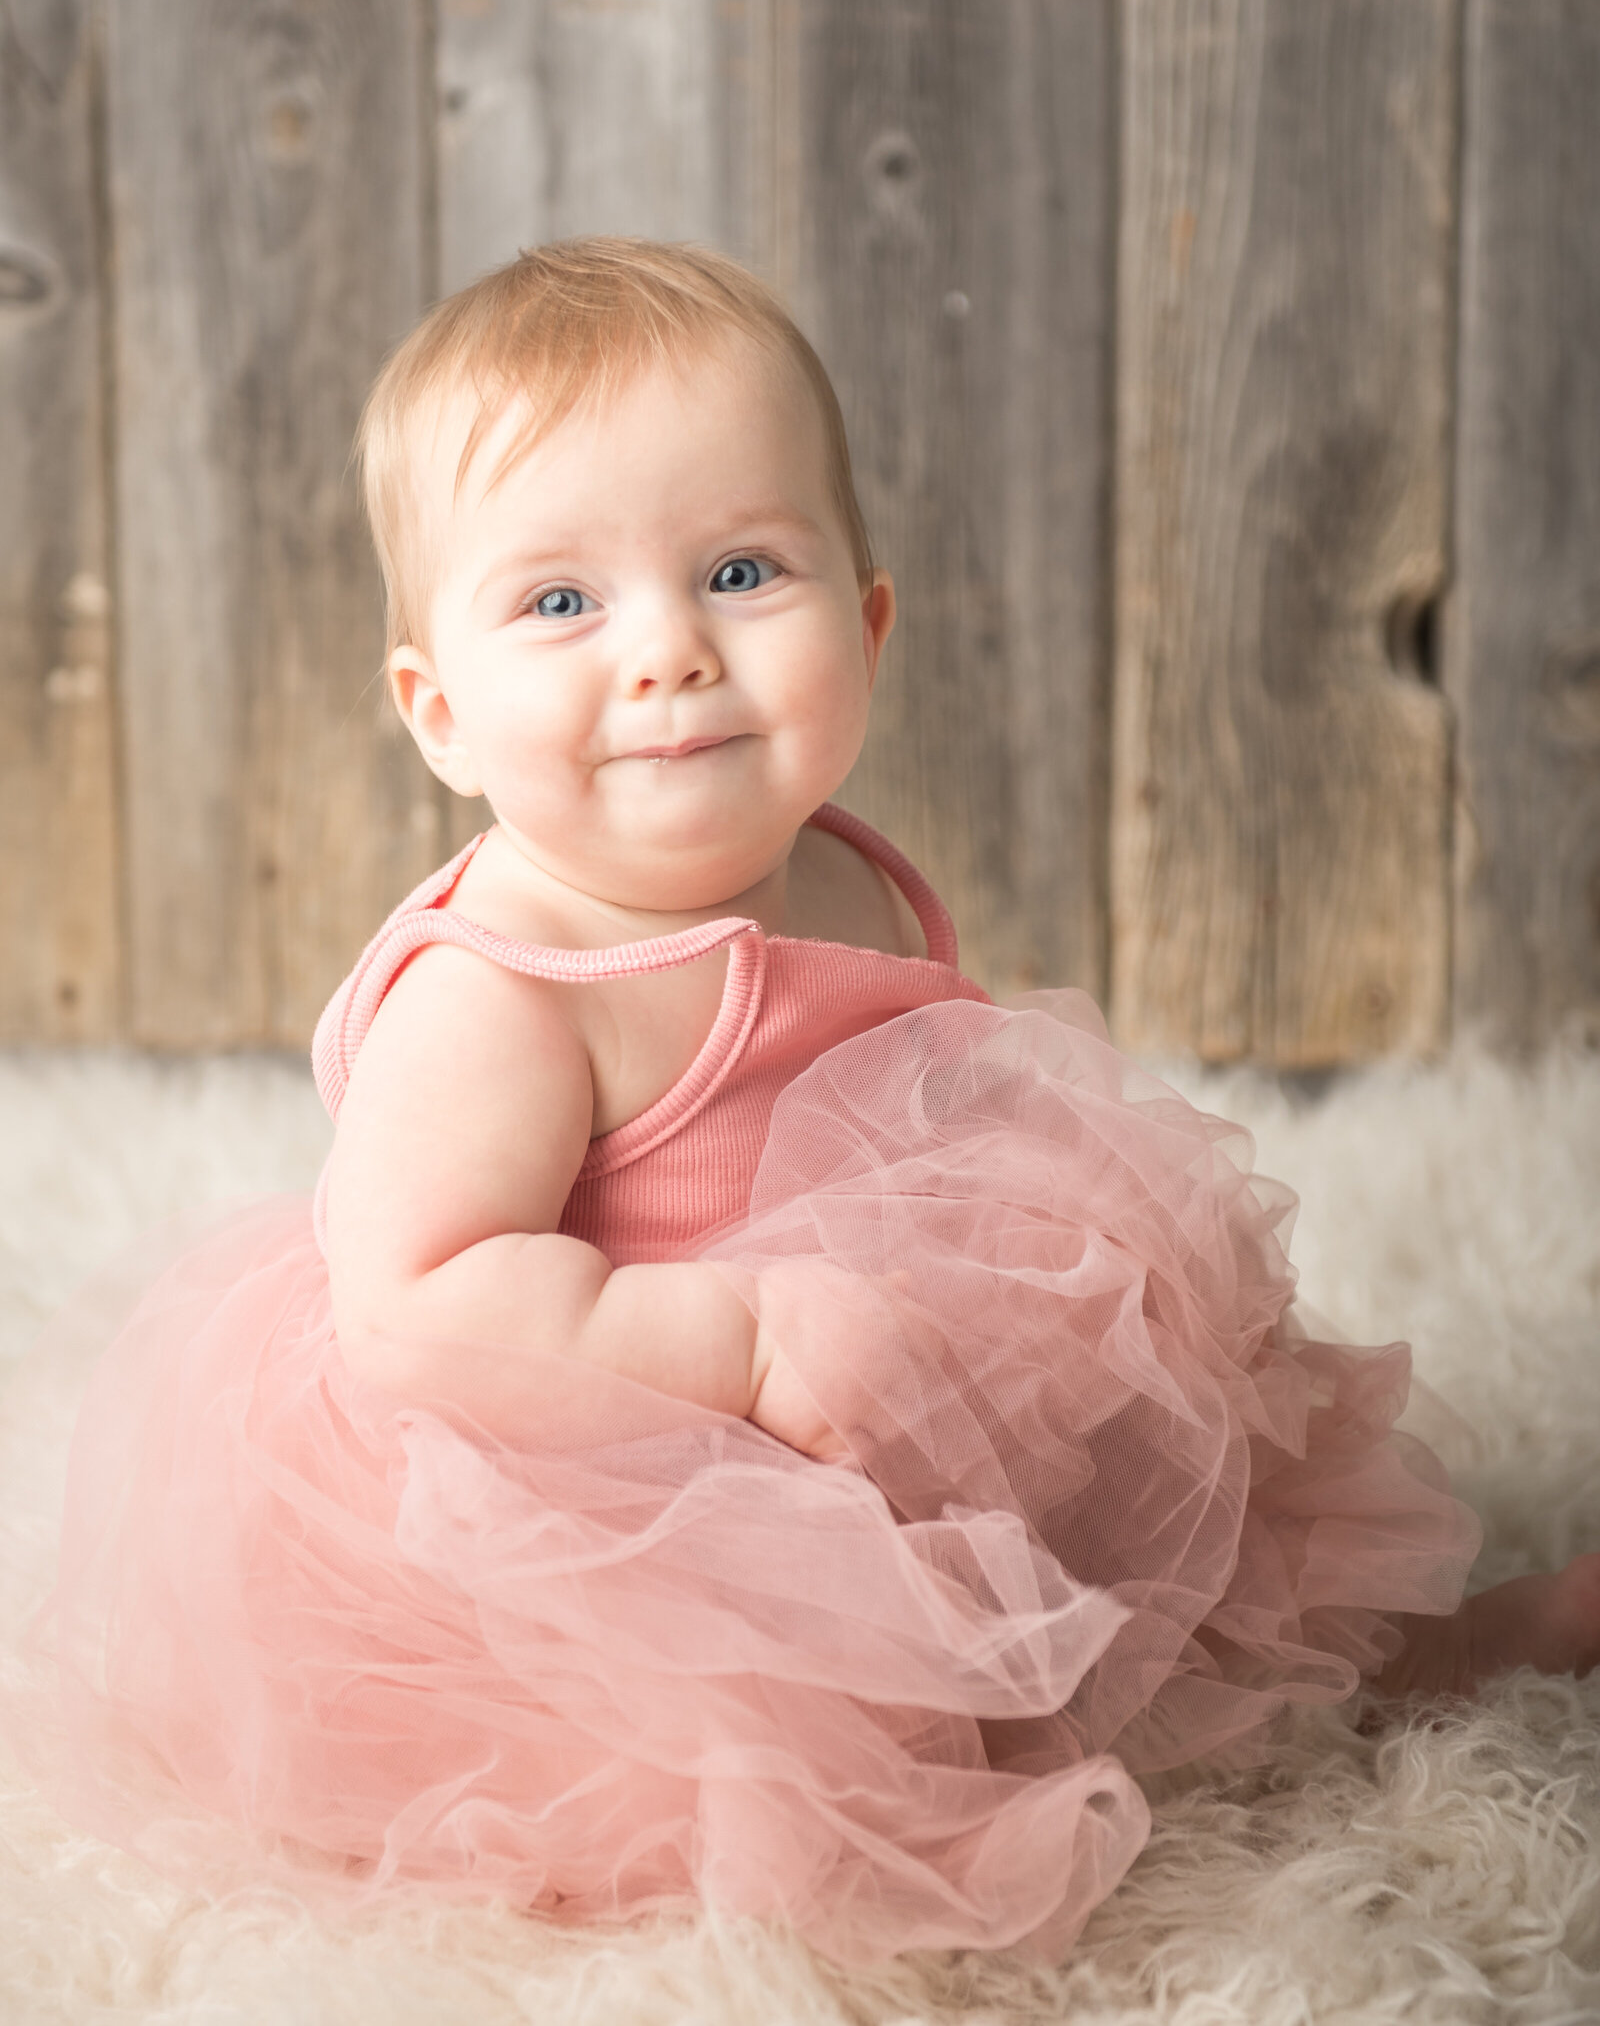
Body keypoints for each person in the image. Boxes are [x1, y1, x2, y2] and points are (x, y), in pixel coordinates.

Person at [22, 241, 1600, 1966]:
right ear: (440, 712)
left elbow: (914, 1101)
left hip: (862, 1362)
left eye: (740, 570)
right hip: (605, 1458)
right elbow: (419, 1307)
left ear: (864, 623)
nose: (670, 654)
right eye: (562, 602)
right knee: (767, 1732)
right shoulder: (501, 996)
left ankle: (1384, 1650)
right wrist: (737, 1349)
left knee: (1181, 1458)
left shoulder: (842, 875)